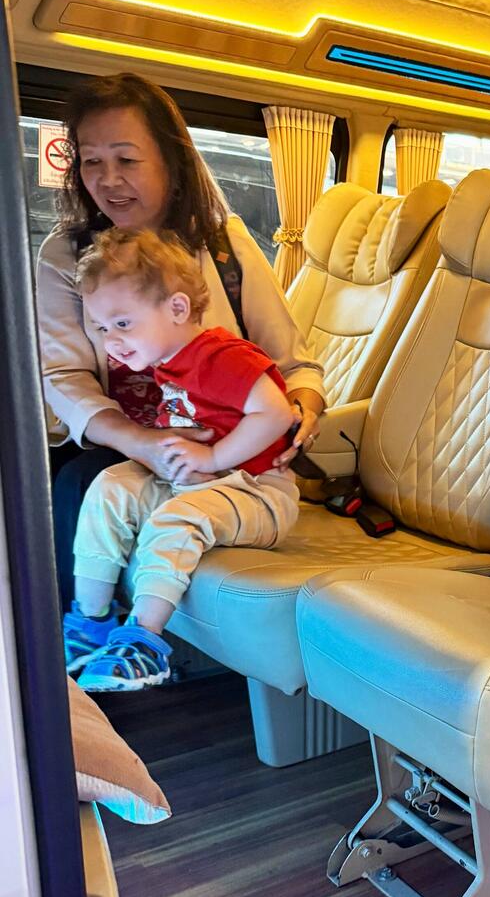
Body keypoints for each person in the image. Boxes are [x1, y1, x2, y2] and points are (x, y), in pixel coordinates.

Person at [37, 72, 324, 603]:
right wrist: (141, 443)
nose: (108, 180)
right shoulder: (66, 254)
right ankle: (79, 634)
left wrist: (305, 406)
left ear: (170, 160)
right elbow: (64, 376)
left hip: (229, 449)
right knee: (81, 480)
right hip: (126, 441)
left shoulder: (223, 243)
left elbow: (293, 364)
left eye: (127, 159)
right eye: (91, 161)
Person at [65, 229, 300, 690]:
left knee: (177, 518)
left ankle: (145, 642)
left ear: (176, 309)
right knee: (110, 486)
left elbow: (276, 413)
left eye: (123, 323)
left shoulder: (221, 356)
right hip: (203, 484)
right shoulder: (170, 359)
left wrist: (212, 455)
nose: (112, 341)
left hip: (259, 494)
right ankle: (90, 625)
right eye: (103, 328)